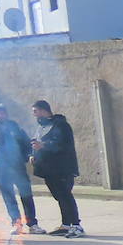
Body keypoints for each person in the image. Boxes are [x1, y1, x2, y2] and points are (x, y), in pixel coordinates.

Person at [0, 104, 42, 235]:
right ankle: (16, 223)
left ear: (6, 114)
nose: (0, 115)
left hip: (18, 167)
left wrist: (27, 157)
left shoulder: (16, 129)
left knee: (26, 195)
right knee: (9, 197)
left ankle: (33, 224)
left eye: (2, 112)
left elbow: (27, 144)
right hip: (1, 170)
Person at [30, 100, 84, 237]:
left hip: (62, 168)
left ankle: (76, 226)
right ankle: (66, 225)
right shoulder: (42, 127)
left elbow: (63, 145)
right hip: (48, 169)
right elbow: (37, 142)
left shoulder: (61, 125)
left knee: (66, 196)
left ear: (43, 110)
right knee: (59, 196)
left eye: (35, 111)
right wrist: (33, 154)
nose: (34, 115)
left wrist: (44, 145)